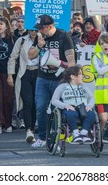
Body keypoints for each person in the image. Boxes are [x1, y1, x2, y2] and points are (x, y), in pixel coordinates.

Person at [28, 14, 75, 148]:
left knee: (57, 109)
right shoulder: (40, 37)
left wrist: (66, 66)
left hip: (59, 79)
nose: (39, 31)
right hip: (42, 77)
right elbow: (29, 55)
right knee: (40, 108)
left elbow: (71, 58)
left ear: (49, 26)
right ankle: (43, 137)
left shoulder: (62, 36)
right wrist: (38, 46)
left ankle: (54, 139)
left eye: (41, 28)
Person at [7, 29, 39, 143]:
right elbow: (13, 57)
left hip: (39, 73)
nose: (33, 32)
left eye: (36, 30)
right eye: (31, 30)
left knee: (36, 102)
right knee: (27, 101)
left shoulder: (44, 40)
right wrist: (10, 74)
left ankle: (33, 126)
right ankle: (28, 130)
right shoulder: (21, 41)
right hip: (24, 73)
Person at [51, 65, 96, 143]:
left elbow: (92, 98)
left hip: (83, 108)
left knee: (91, 114)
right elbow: (54, 100)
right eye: (80, 74)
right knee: (72, 114)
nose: (82, 76)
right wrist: (65, 105)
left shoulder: (84, 86)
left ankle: (84, 133)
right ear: (72, 76)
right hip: (70, 108)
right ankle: (75, 134)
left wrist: (89, 105)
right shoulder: (62, 87)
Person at [0, 16, 17, 134]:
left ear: (6, 26)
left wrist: (10, 74)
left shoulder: (12, 39)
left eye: (1, 23)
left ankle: (8, 123)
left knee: (8, 99)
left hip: (8, 73)